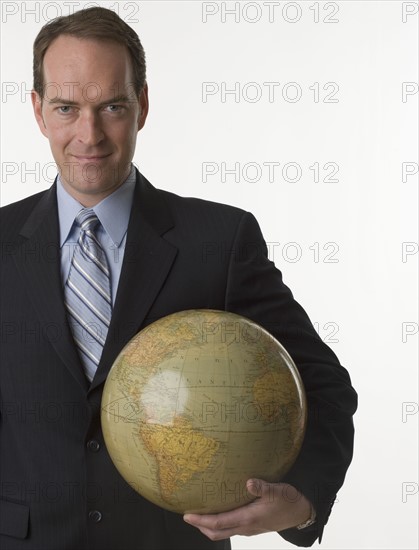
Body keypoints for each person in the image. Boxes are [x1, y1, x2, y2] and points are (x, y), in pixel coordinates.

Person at [0, 7, 357, 550]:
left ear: (142, 106)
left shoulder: (221, 239)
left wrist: (303, 500)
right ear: (38, 111)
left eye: (112, 106)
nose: (88, 134)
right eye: (67, 108)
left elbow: (323, 383)